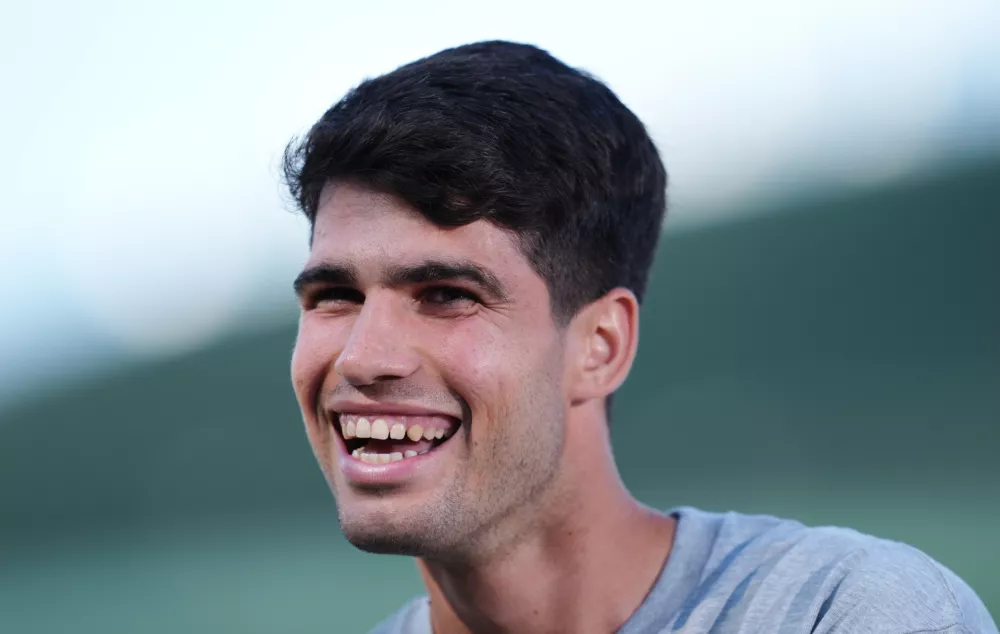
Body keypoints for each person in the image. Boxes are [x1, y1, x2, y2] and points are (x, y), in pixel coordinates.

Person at [284, 40, 996, 634]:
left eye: (447, 296)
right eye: (335, 296)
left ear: (600, 345)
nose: (363, 357)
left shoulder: (850, 613)